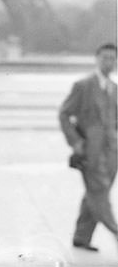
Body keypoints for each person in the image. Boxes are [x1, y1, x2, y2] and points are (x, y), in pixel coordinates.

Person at [58, 42, 118, 252]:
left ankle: (81, 238)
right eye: (105, 58)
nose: (108, 62)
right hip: (90, 153)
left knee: (94, 195)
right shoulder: (82, 86)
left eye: (112, 58)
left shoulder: (115, 89)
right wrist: (76, 142)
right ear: (97, 59)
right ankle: (116, 232)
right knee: (99, 194)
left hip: (112, 155)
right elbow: (64, 114)